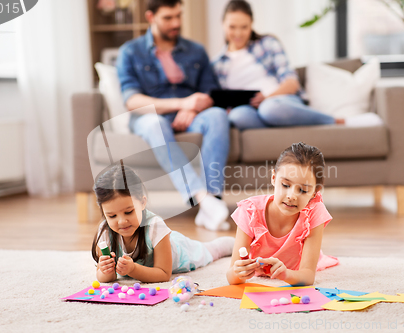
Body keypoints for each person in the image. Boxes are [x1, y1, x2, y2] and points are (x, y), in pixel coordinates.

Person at [116, 0, 231, 231]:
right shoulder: (130, 51)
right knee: (155, 123)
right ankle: (201, 198)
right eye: (168, 18)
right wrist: (181, 103)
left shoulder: (196, 51)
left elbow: (211, 93)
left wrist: (192, 107)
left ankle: (214, 200)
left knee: (217, 115)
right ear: (151, 17)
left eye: (178, 16)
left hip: (189, 115)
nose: (176, 23)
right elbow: (132, 101)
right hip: (151, 116)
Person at [91, 163, 235, 283]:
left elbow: (164, 274)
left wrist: (133, 269)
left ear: (142, 203)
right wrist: (105, 270)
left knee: (212, 250)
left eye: (129, 212)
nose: (122, 221)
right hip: (162, 243)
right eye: (112, 215)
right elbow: (106, 278)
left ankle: (237, 242)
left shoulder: (155, 226)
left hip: (181, 251)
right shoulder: (104, 233)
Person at [212, 0, 342, 130]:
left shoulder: (268, 43)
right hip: (249, 109)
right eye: (232, 27)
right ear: (223, 24)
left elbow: (292, 83)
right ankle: (278, 121)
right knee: (238, 117)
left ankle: (330, 120)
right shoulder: (217, 64)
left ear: (251, 24)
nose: (238, 33)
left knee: (270, 109)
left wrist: (267, 98)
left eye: (244, 27)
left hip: (280, 101)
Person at [226, 143, 339, 285]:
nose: (292, 196)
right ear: (273, 178)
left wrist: (285, 274)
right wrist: (239, 272)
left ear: (314, 192)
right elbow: (232, 276)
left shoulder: (314, 212)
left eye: (303, 190)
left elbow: (308, 276)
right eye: (285, 185)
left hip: (294, 270)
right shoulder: (250, 211)